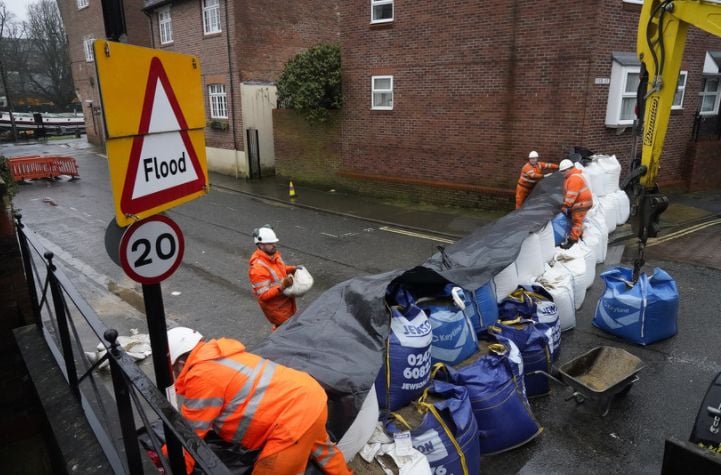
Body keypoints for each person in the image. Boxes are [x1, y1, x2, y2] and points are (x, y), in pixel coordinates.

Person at [165, 327, 352, 475]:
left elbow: (188, 436)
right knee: (323, 451)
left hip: (293, 417)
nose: (174, 375)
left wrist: (169, 463)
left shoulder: (202, 376)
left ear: (180, 364)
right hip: (309, 396)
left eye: (172, 369)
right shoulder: (219, 356)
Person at [248, 225, 298, 329]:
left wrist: (293, 268)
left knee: (290, 329)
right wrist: (282, 286)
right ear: (261, 245)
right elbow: (263, 295)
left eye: (274, 242)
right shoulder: (258, 269)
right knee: (285, 331)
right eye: (270, 243)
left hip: (287, 303)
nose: (274, 245)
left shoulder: (274, 256)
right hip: (277, 309)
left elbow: (280, 269)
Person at [558, 159, 594, 249]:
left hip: (581, 204)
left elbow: (571, 196)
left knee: (576, 221)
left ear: (568, 169)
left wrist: (565, 206)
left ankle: (572, 241)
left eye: (563, 171)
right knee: (575, 219)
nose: (562, 174)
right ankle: (578, 234)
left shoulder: (574, 178)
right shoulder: (573, 176)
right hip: (581, 202)